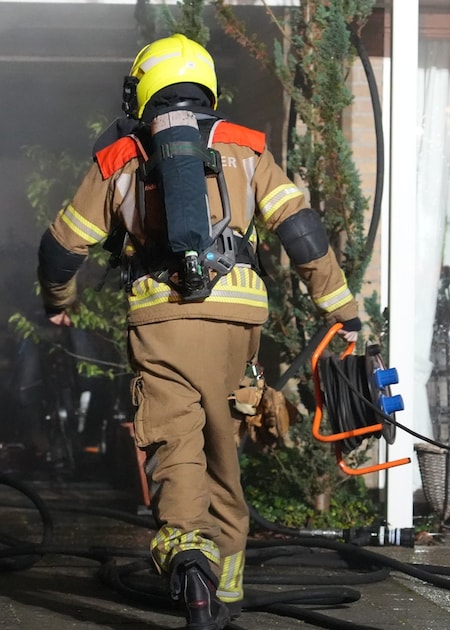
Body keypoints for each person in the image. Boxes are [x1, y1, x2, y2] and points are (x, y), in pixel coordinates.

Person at [35, 34, 361, 630]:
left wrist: (60, 302)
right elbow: (301, 230)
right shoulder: (246, 148)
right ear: (207, 86)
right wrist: (341, 307)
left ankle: (188, 553)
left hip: (163, 321)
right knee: (220, 446)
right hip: (239, 322)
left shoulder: (120, 158)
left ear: (142, 89)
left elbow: (61, 248)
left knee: (174, 442)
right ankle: (226, 591)